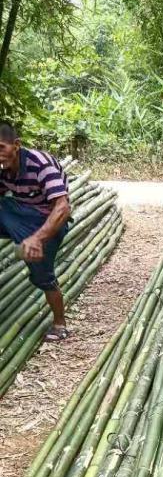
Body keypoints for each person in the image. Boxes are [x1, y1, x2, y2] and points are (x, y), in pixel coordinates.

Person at [0, 121, 71, 340]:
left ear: (16, 145)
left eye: (1, 147)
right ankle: (24, 244)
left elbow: (63, 208)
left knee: (42, 275)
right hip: (21, 216)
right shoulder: (3, 169)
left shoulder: (40, 164)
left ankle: (60, 325)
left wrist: (37, 239)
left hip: (48, 222)